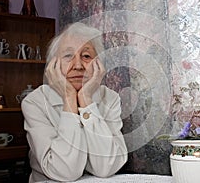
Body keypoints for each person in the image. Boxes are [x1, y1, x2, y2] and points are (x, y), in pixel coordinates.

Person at [21, 22, 128, 182]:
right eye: (68, 56)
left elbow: (106, 167)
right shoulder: (34, 102)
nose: (78, 66)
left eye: (86, 56)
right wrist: (69, 98)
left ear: (98, 64)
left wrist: (86, 100)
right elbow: (64, 171)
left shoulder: (110, 98)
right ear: (53, 66)